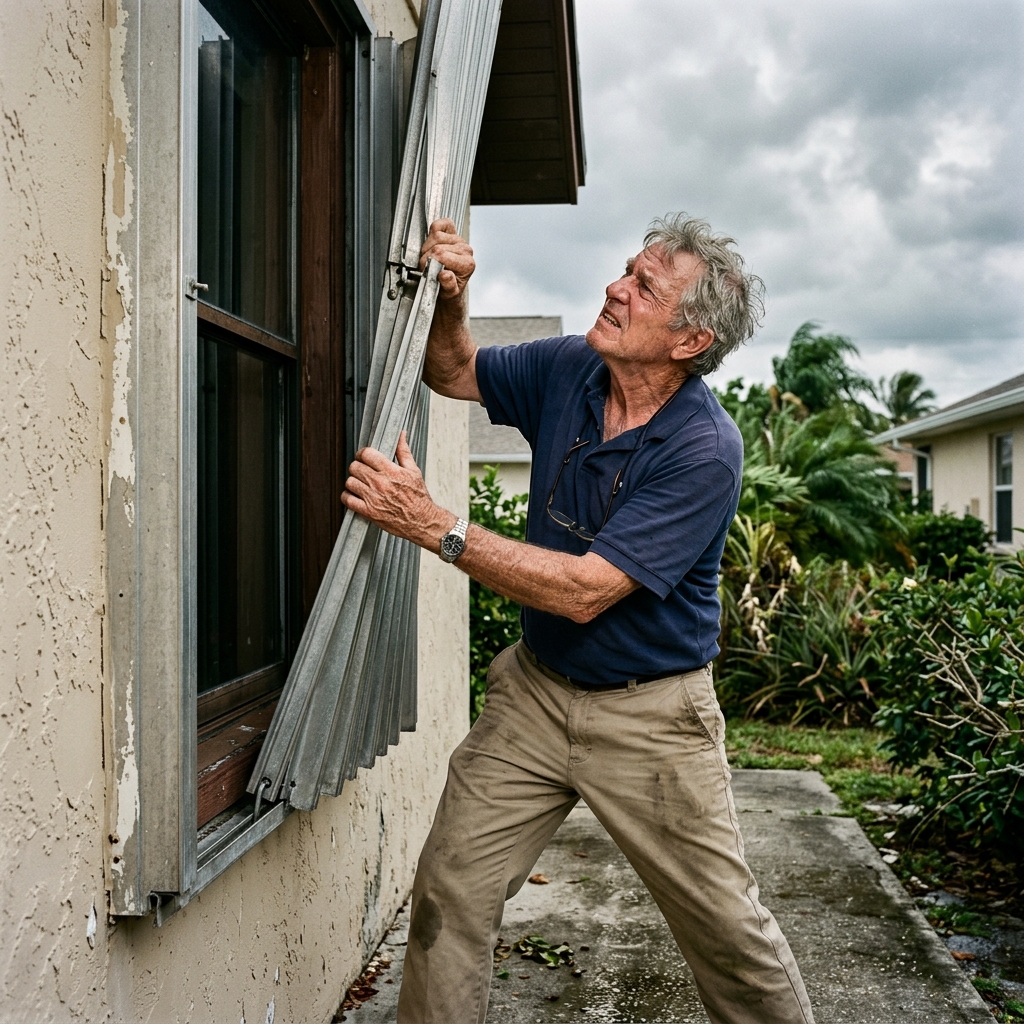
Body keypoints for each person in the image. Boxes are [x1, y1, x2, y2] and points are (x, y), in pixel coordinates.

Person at [340, 213, 815, 1024]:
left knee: (728, 937)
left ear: (690, 340)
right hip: (536, 693)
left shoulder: (702, 449)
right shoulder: (571, 368)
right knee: (449, 893)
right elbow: (453, 371)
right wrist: (452, 300)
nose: (615, 288)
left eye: (643, 287)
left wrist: (432, 523)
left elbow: (586, 592)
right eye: (626, 269)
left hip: (652, 714)